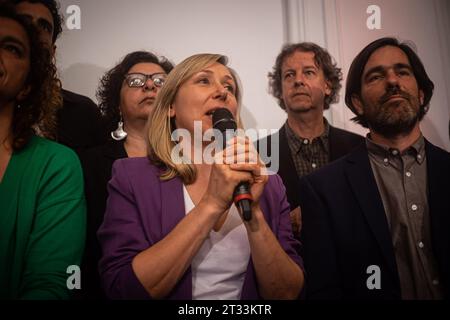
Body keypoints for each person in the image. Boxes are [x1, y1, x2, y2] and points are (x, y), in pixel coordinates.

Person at [98, 53, 304, 300]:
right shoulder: (130, 177)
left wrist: (255, 216)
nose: (222, 92)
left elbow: (288, 294)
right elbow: (123, 289)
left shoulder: (269, 183)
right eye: (204, 81)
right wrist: (212, 204)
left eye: (229, 86)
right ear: (171, 106)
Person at [299, 37, 450, 299]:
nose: (393, 82)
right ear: (357, 102)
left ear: (421, 93)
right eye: (376, 77)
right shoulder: (323, 189)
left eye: (402, 72)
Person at [0, 3, 85, 299]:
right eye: (25, 21)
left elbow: (51, 283)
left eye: (12, 48)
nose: (36, 31)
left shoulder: (58, 162)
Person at [78, 51, 174, 299]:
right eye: (135, 81)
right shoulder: (90, 163)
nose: (150, 85)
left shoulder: (191, 160)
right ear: (117, 103)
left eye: (160, 81)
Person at [259, 42, 363, 235]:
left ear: (328, 86)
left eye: (308, 72)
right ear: (280, 90)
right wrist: (283, 222)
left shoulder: (359, 148)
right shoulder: (258, 154)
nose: (298, 81)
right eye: (289, 75)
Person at [14, 0, 108, 151]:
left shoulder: (83, 112)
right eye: (24, 20)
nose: (34, 30)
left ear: (53, 50)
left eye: (44, 26)